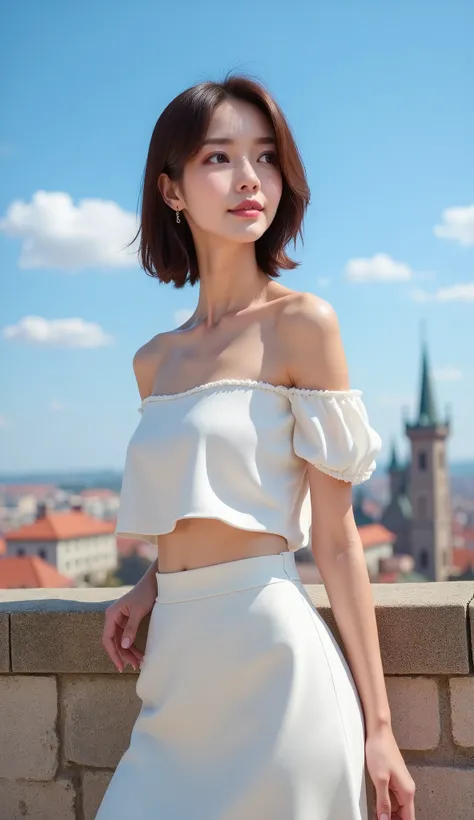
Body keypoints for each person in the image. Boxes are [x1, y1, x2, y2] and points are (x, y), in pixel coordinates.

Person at [98, 74, 416, 820]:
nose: (250, 178)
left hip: (276, 673)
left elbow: (335, 541)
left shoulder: (303, 324)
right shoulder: (155, 360)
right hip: (175, 678)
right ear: (171, 189)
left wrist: (380, 730)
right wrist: (150, 584)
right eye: (219, 158)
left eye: (265, 157)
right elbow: (203, 497)